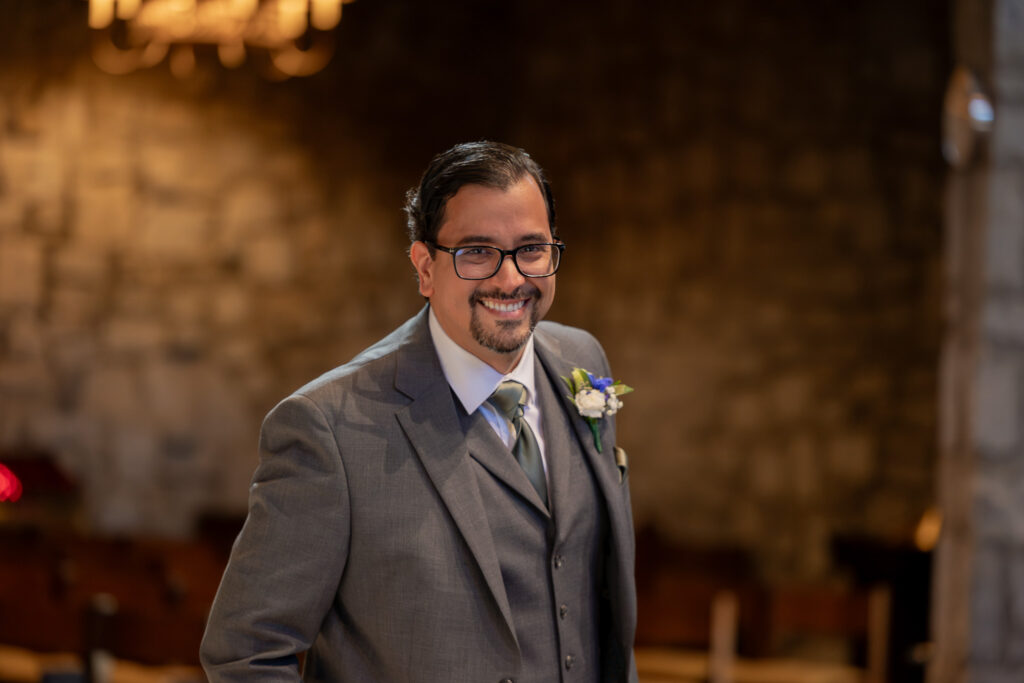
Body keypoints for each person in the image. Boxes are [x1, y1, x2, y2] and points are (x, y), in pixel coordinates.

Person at [200, 141, 637, 683]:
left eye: (531, 249)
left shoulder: (581, 360)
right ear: (425, 266)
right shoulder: (327, 428)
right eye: (477, 251)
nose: (509, 279)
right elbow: (245, 654)